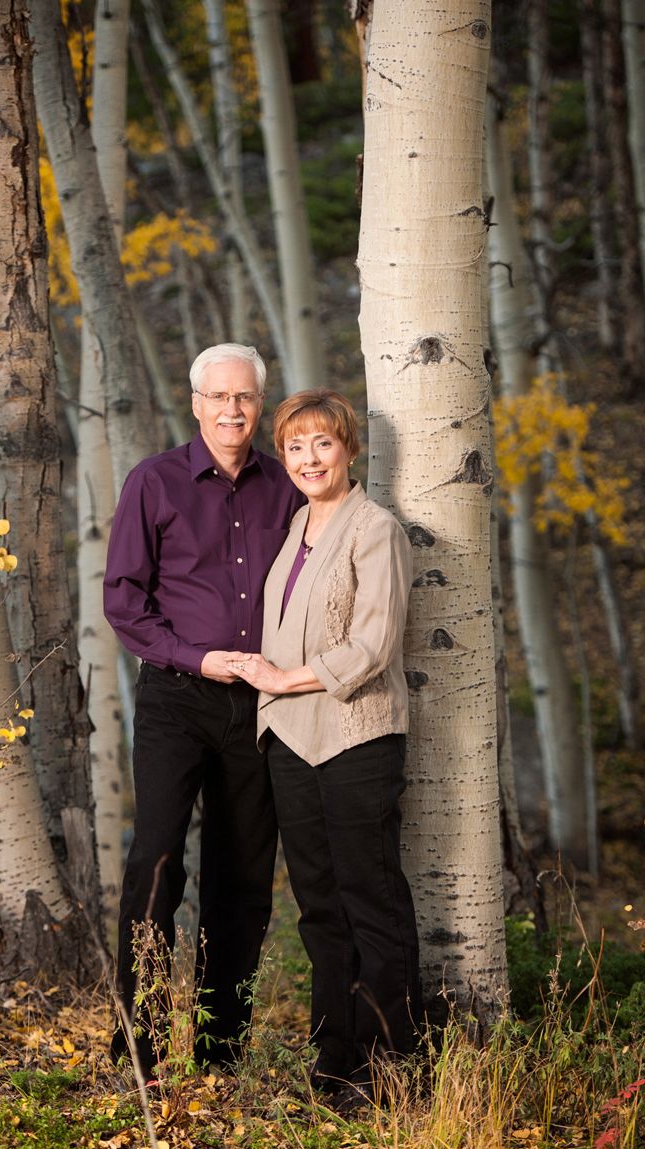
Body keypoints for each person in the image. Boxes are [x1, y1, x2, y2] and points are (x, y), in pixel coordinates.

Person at [103, 343, 301, 1077]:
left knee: (243, 878)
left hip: (259, 708)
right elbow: (124, 601)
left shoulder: (285, 489)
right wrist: (196, 657)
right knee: (155, 864)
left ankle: (221, 1053)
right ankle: (139, 1049)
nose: (232, 410)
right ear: (195, 404)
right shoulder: (154, 482)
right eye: (218, 397)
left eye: (245, 398)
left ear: (259, 403)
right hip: (176, 699)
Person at [227, 389, 421, 1100]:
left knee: (369, 898)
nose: (309, 458)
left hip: (355, 735)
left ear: (348, 449)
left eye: (323, 443)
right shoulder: (294, 529)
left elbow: (371, 644)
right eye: (295, 447)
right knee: (318, 910)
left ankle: (391, 1064)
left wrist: (284, 676)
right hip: (287, 737)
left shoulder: (376, 529)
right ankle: (333, 1063)